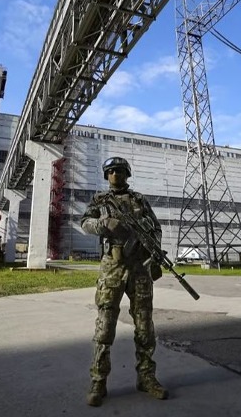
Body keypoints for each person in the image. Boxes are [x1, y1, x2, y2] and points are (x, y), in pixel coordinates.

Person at [80, 156, 168, 407]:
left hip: (140, 268)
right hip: (112, 268)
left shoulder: (140, 200)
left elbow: (156, 229)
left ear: (127, 174)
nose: (115, 174)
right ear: (106, 175)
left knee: (144, 327)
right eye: (110, 171)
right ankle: (98, 381)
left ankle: (147, 377)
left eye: (119, 171)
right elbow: (84, 223)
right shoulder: (100, 200)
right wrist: (103, 223)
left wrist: (155, 255)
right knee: (105, 325)